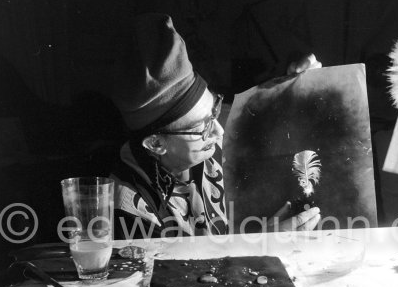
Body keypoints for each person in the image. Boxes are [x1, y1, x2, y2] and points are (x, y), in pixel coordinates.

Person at [110, 13, 321, 240]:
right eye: (203, 128)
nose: (219, 131)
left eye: (214, 111)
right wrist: (262, 244)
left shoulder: (208, 132)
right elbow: (180, 275)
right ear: (156, 143)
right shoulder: (128, 208)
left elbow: (267, 112)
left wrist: (302, 80)